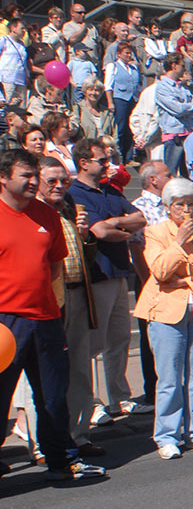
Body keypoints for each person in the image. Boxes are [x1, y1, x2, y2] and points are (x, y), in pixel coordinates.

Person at [0, 149, 106, 480]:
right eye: (25, 176)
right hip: (5, 325)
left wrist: (53, 305)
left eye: (35, 175)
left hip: (46, 320)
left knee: (53, 396)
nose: (33, 182)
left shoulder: (48, 216)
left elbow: (56, 265)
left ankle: (62, 459)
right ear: (3, 177)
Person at [135, 178, 193, 459]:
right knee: (170, 377)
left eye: (190, 204)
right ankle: (167, 435)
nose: (186, 210)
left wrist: (188, 282)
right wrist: (178, 243)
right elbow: (160, 271)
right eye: (179, 205)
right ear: (167, 207)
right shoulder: (155, 233)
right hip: (165, 312)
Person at [68, 136, 146, 428]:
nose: (107, 165)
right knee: (92, 345)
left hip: (117, 273)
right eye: (102, 160)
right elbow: (97, 232)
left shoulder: (111, 191)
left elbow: (140, 218)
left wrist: (115, 225)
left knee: (120, 339)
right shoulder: (75, 193)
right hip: (96, 275)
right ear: (84, 162)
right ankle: (91, 403)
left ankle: (119, 397)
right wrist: (119, 226)